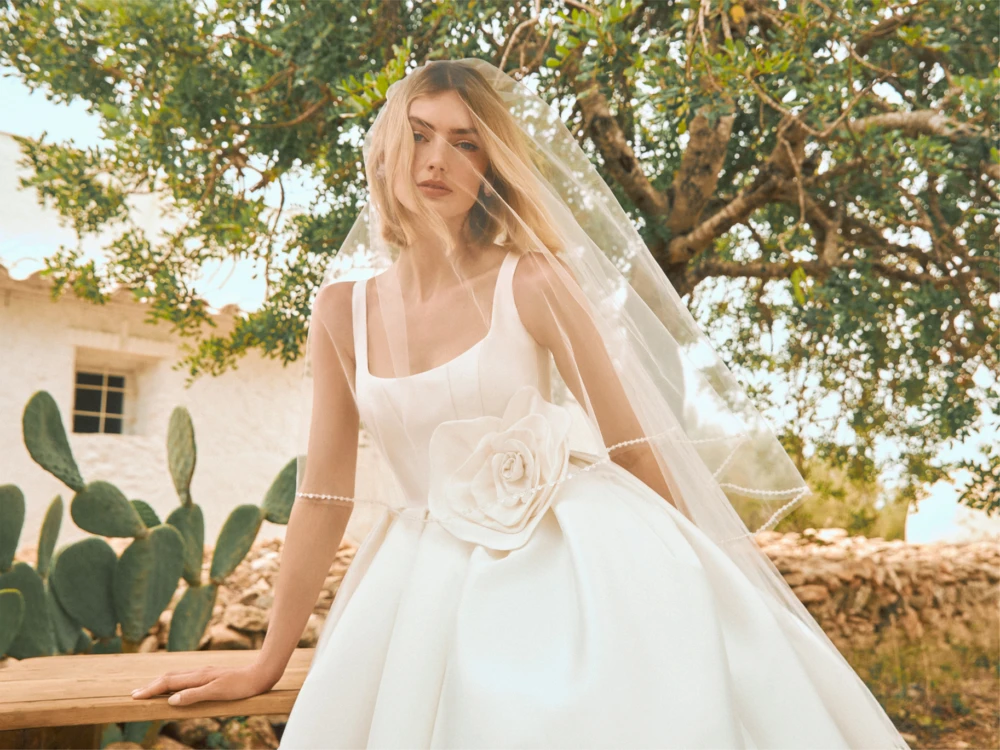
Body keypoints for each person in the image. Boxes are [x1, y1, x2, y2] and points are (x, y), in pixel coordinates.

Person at [132, 59, 910, 749]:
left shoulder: (533, 280)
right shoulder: (341, 309)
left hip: (574, 559)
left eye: (465, 142)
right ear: (387, 150)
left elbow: (632, 446)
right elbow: (326, 491)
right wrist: (269, 657)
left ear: (491, 165)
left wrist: (712, 570)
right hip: (417, 578)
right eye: (420, 134)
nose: (436, 159)